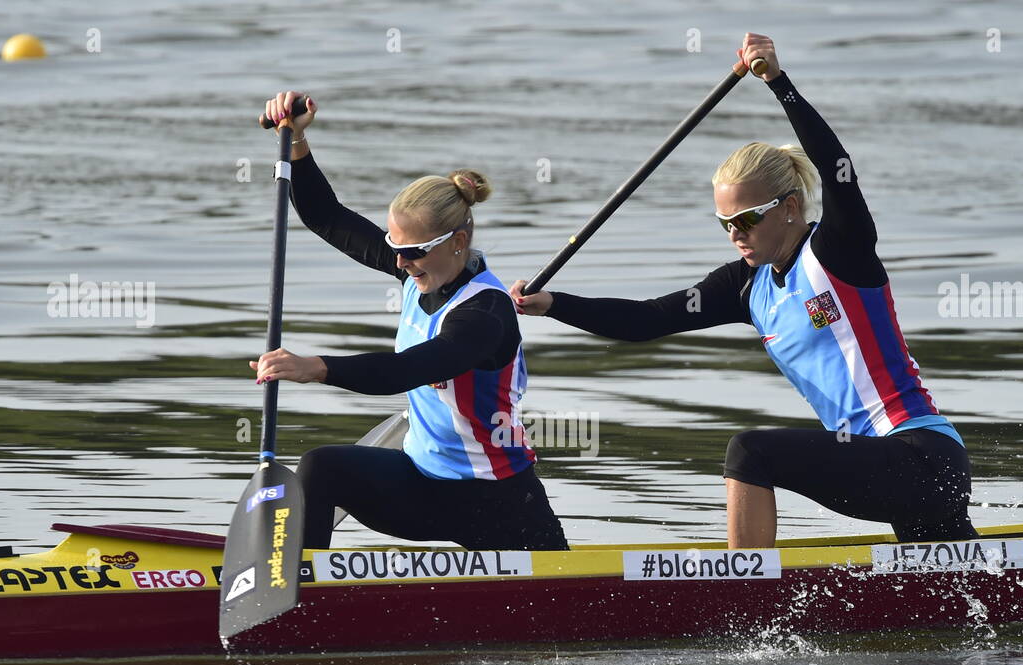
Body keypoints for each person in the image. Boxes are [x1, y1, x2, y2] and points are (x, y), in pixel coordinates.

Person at [512, 34, 976, 548]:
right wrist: (555, 305)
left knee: (750, 452)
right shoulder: (743, 285)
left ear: (791, 207)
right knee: (977, 595)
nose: (735, 233)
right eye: (724, 221)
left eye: (747, 219)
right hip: (876, 466)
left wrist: (779, 83)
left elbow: (838, 169)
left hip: (921, 456)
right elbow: (645, 320)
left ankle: (744, 598)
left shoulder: (841, 251)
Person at [250, 90, 568, 552]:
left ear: (458, 241)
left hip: (495, 499)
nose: (399, 263)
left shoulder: (486, 313)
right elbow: (325, 217)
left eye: (412, 252)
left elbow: (410, 368)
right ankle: (303, 589)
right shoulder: (417, 266)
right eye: (394, 248)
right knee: (323, 468)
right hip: (423, 483)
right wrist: (297, 141)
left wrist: (314, 367)